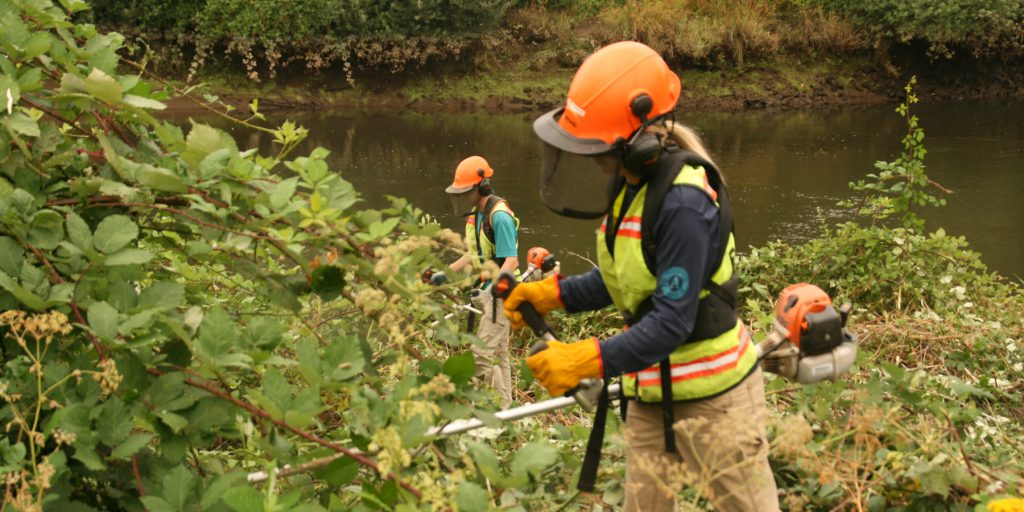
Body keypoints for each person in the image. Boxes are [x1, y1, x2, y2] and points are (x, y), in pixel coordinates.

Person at [503, 42, 780, 511]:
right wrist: (553, 294)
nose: (592, 158)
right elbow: (628, 281)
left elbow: (671, 321)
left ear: (641, 142)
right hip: (650, 395)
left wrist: (585, 359)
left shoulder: (685, 204)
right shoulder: (630, 188)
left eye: (599, 146)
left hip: (717, 400)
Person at [434, 156, 520, 406]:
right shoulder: (478, 215)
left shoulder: (499, 216)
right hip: (488, 291)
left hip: (502, 293)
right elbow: (475, 253)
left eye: (466, 191)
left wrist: (494, 290)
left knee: (481, 356)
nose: (462, 197)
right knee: (500, 353)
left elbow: (511, 261)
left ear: (482, 187)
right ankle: (506, 410)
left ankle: (484, 411)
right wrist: (447, 273)